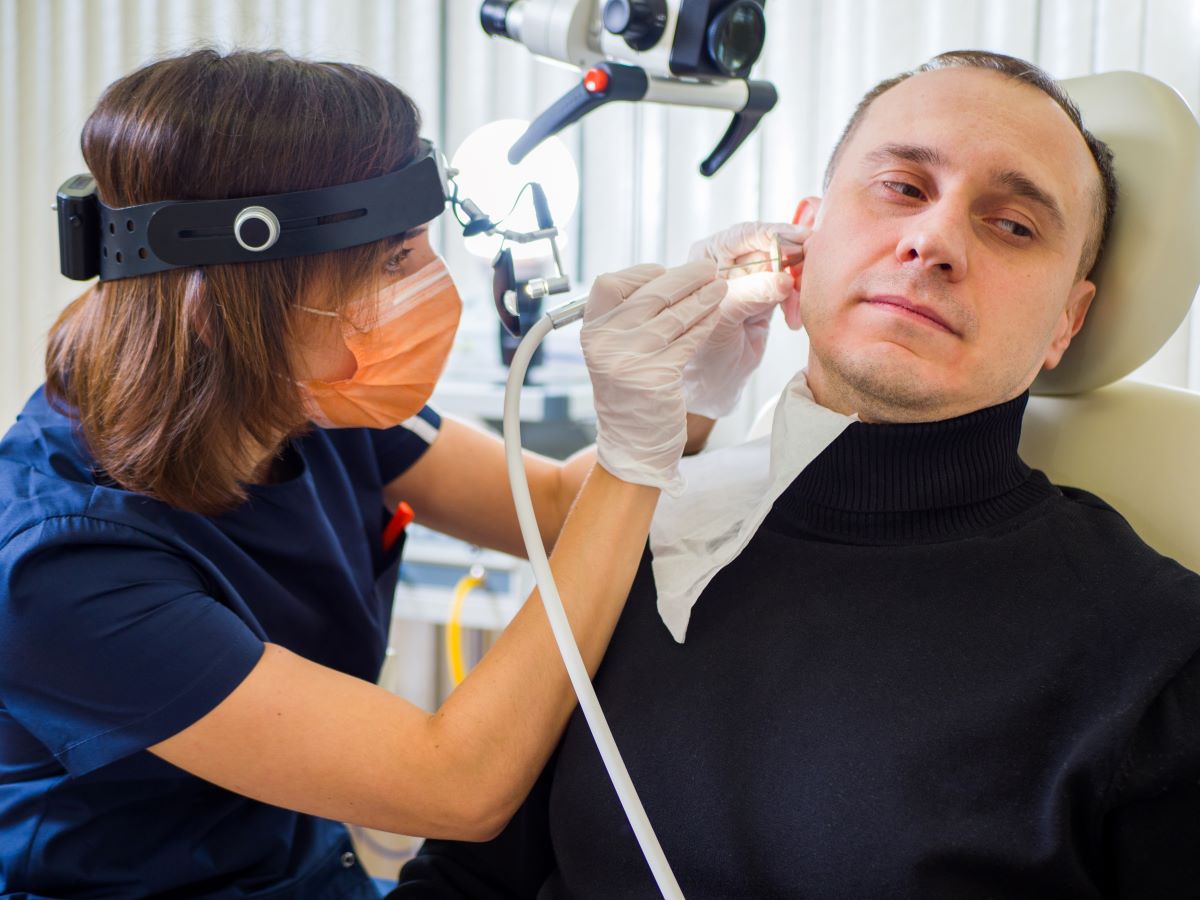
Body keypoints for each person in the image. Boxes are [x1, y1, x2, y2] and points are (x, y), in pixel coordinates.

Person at [393, 50, 1200, 898]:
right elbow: (466, 877)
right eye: (901, 187)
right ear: (802, 241)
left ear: (1066, 323)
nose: (933, 241)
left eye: (1013, 225)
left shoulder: (1153, 659)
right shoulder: (633, 544)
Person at [0, 48, 803, 897]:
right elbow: (454, 785)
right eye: (389, 263)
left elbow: (560, 507)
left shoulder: (307, 398)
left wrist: (690, 380)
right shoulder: (62, 567)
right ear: (225, 308)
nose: (431, 287)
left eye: (422, 248)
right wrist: (636, 458)